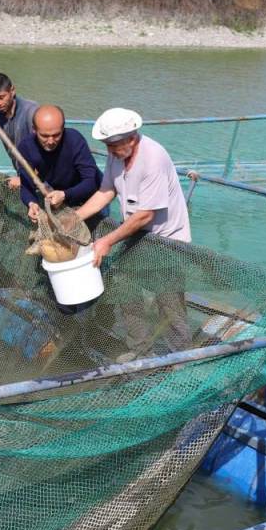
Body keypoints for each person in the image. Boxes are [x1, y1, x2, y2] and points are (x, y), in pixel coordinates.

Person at [76, 107, 193, 356]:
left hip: (167, 240)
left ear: (131, 138)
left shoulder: (153, 158)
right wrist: (74, 219)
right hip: (136, 237)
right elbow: (106, 192)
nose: (110, 151)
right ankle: (141, 350)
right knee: (125, 288)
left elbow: (145, 215)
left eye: (113, 145)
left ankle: (181, 357)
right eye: (107, 145)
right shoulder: (116, 155)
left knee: (169, 303)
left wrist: (107, 241)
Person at [17, 104, 103, 224]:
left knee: (99, 227)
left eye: (56, 135)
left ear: (63, 129)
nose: (51, 141)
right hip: (63, 196)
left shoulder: (74, 140)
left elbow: (90, 182)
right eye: (44, 136)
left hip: (93, 195)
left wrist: (64, 195)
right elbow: (26, 185)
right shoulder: (26, 147)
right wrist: (31, 203)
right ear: (34, 130)